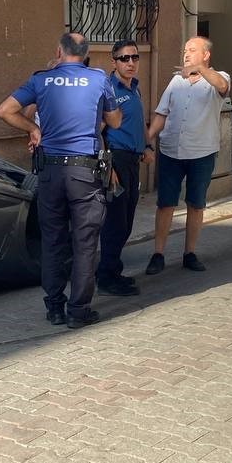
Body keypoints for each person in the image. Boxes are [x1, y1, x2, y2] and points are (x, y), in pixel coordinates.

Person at [0, 33, 121, 329]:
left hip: (50, 172)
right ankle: (78, 311)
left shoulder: (41, 79)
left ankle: (54, 307)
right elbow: (115, 121)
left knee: (53, 241)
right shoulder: (98, 79)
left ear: (59, 51)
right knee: (85, 242)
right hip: (84, 174)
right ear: (86, 53)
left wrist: (33, 129)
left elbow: (4, 111)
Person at [144, 36, 231, 275]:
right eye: (185, 50)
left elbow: (222, 87)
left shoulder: (219, 77)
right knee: (165, 204)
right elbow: (162, 113)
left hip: (201, 152)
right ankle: (158, 253)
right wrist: (147, 139)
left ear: (206, 55)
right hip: (171, 151)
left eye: (192, 50)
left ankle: (189, 253)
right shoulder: (176, 81)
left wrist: (200, 70)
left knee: (195, 204)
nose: (186, 54)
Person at [96, 40, 152, 297]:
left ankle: (113, 270)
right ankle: (106, 277)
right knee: (115, 222)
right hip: (116, 160)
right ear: (114, 61)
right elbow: (98, 132)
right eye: (124, 58)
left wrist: (147, 146)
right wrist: (108, 168)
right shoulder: (107, 90)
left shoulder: (134, 88)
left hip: (132, 159)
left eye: (134, 57)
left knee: (127, 219)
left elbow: (138, 123)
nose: (130, 63)